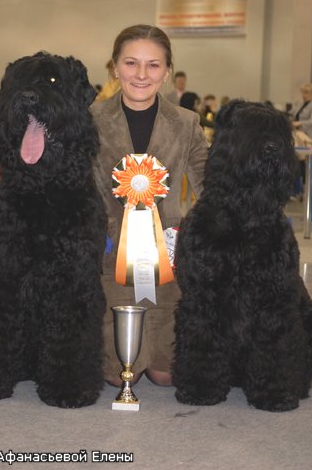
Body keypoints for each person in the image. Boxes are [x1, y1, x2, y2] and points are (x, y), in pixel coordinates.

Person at [91, 24, 208, 387]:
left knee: (164, 375)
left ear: (168, 71)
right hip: (109, 258)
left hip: (168, 260)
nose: (141, 75)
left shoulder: (188, 123)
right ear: (114, 67)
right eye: (131, 63)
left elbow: (210, 187)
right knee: (117, 375)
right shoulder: (89, 120)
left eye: (153, 65)